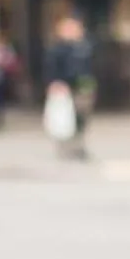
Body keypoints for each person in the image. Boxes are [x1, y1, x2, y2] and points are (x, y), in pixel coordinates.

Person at [43, 12, 96, 160]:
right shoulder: (57, 49)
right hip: (64, 87)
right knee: (65, 118)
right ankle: (66, 147)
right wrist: (54, 82)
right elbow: (51, 68)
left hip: (83, 86)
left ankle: (78, 146)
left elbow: (89, 67)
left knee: (81, 118)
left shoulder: (84, 47)